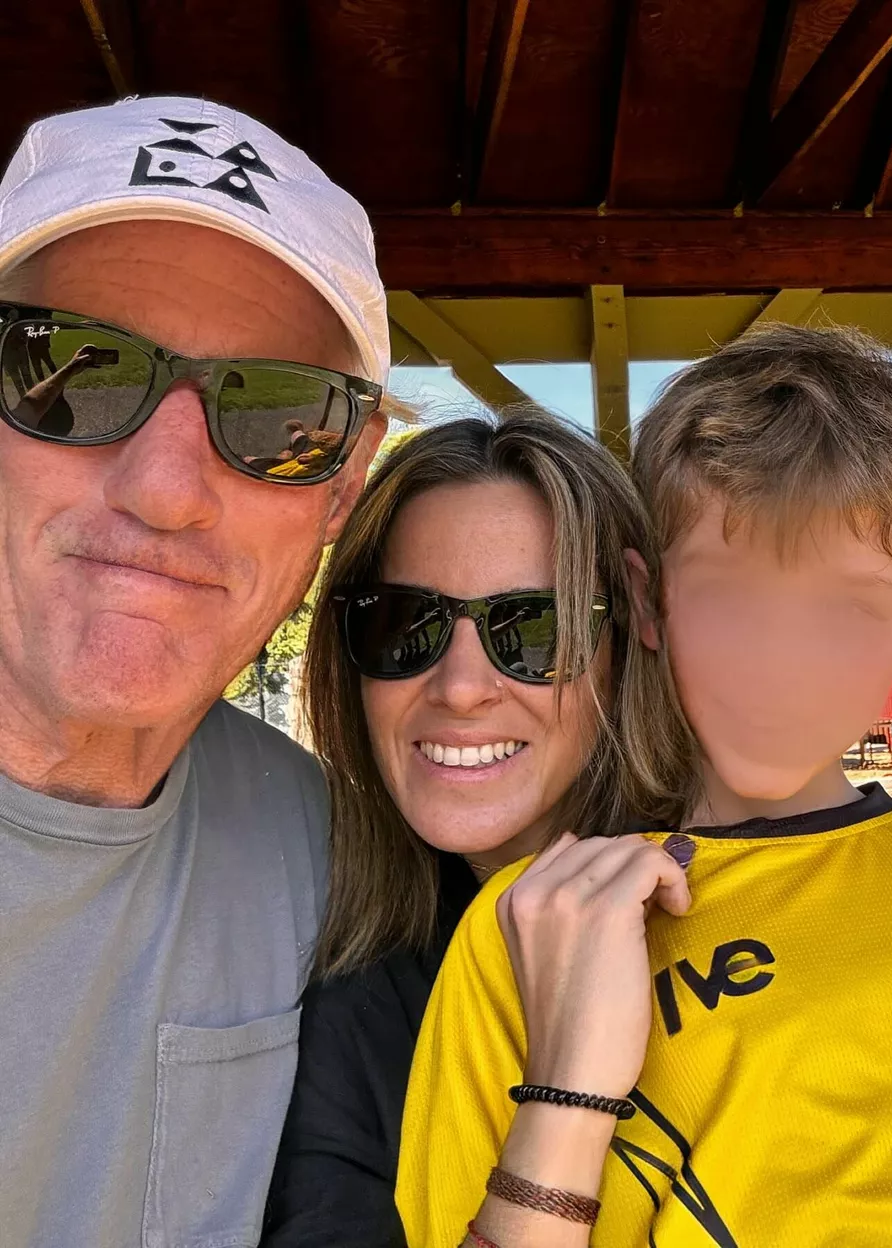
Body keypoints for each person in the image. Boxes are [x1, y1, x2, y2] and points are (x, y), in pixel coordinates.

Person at [396, 325, 892, 1248]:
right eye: (728, 594)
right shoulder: (536, 925)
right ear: (648, 602)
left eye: (845, 608)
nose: (780, 664)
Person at [0, 96, 390, 1248]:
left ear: (343, 488)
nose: (166, 490)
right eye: (72, 371)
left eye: (277, 415)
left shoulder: (319, 851)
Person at [261, 410, 699, 1246]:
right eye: (404, 624)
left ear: (631, 631)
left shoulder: (747, 909)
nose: (460, 687)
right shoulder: (356, 988)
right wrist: (567, 1098)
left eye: (534, 627)